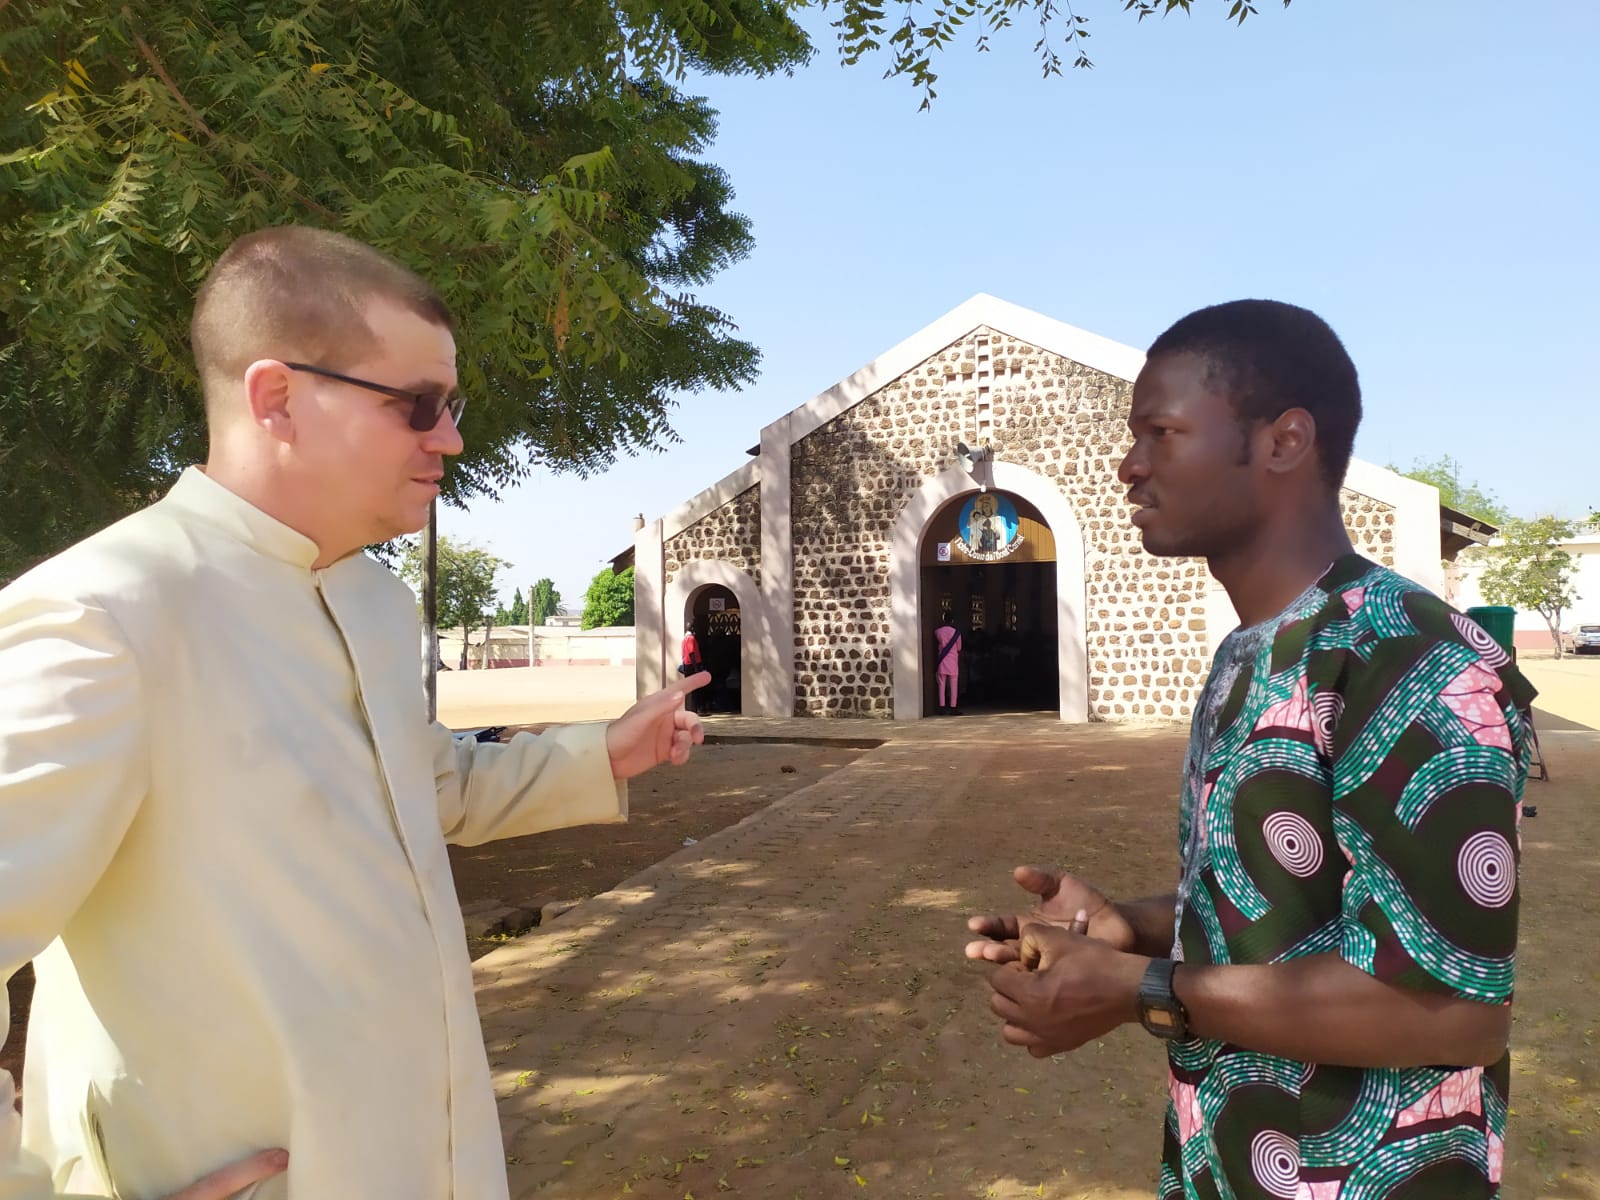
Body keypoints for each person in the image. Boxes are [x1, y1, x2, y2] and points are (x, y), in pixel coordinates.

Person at [0, 225, 710, 1200]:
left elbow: (422, 785)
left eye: (452, 405)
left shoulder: (373, 600)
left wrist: (605, 755)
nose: (452, 439)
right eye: (418, 406)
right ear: (277, 398)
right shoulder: (107, 612)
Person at [966, 300, 1535, 1199]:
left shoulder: (1411, 658)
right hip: (1226, 1165)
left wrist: (1139, 984)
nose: (1129, 465)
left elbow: (1457, 1011)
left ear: (1283, 442)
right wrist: (1130, 926)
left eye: (1162, 431)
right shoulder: (1252, 653)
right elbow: (1294, 903)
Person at [933, 618, 962, 715]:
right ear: (952, 621)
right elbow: (959, 647)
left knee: (941, 685)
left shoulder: (938, 632)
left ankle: (942, 707)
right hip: (953, 660)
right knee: (953, 685)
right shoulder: (956, 633)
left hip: (942, 660)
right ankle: (953, 707)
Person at [680, 625, 704, 713]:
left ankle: (690, 709)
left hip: (687, 665)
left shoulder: (684, 640)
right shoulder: (691, 639)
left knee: (690, 688)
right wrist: (696, 667)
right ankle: (694, 709)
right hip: (692, 665)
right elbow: (691, 653)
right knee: (695, 689)